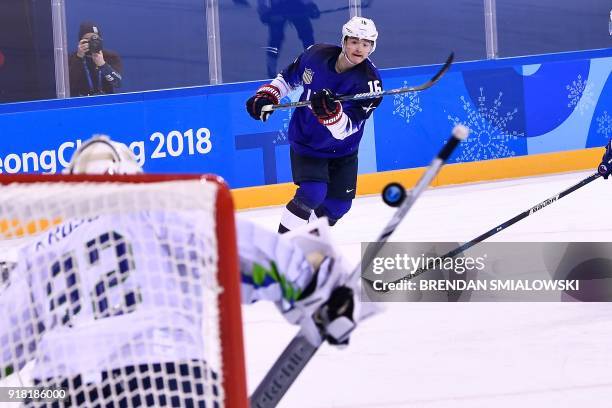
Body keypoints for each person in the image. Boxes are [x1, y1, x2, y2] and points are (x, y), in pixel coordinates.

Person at [0, 136, 359, 406]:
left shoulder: (36, 254)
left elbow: (7, 348)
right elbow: (241, 250)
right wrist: (318, 287)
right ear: (132, 174)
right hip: (164, 380)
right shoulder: (154, 208)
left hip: (58, 393)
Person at [246, 16, 383, 233]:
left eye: (366, 44)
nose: (359, 48)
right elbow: (288, 78)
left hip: (344, 150)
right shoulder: (316, 54)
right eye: (355, 41)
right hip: (307, 141)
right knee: (312, 193)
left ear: (372, 48)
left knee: (338, 207)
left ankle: (304, 241)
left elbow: (347, 130)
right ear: (344, 41)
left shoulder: (370, 83)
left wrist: (332, 116)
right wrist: (268, 95)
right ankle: (281, 246)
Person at [257, 0, 320, 78]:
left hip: (298, 5)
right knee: (276, 39)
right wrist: (264, 9)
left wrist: (310, 5)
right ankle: (271, 69)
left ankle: (312, 66)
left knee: (307, 36)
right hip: (277, 7)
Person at [68, 22, 122, 96]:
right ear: (80, 42)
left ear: (100, 40)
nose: (91, 43)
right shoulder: (71, 58)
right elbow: (69, 85)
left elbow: (117, 83)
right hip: (81, 103)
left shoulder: (110, 57)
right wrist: (79, 58)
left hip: (105, 101)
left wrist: (103, 65)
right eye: (87, 40)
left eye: (94, 39)